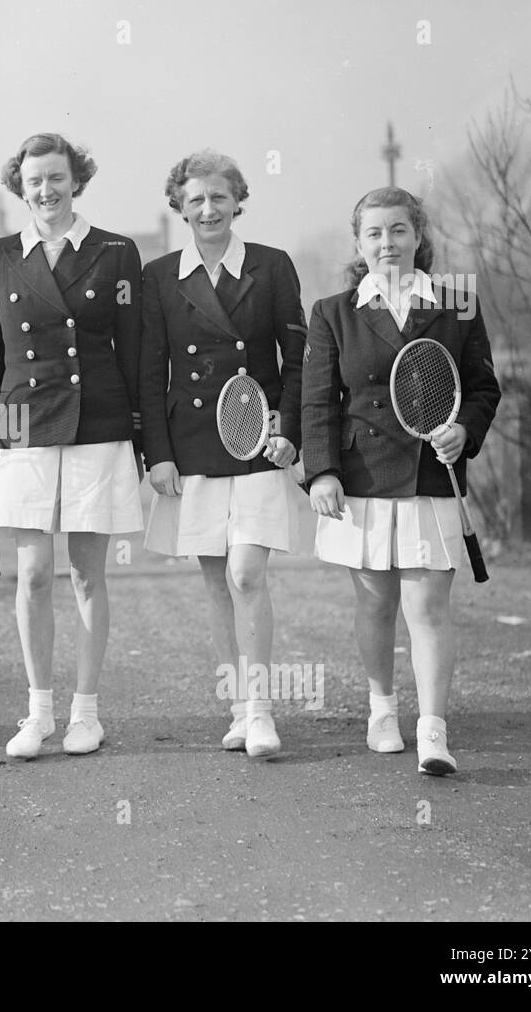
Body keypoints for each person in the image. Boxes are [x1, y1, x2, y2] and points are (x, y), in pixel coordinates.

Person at [302, 186, 500, 775]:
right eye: (374, 233)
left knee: (429, 606)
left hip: (430, 478)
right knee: (375, 603)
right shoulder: (331, 312)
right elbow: (318, 404)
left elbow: (484, 386)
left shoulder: (458, 303)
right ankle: (381, 710)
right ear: (359, 244)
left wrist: (464, 430)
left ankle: (433, 730)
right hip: (360, 481)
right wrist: (322, 472)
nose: (386, 243)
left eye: (397, 230)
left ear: (418, 235)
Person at [0, 132, 143, 759]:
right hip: (23, 430)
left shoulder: (116, 253)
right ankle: (39, 712)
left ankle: (86, 714)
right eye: (35, 179)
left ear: (78, 180)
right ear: (21, 185)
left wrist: (146, 439)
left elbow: (138, 351)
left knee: (87, 575)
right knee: (35, 574)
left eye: (57, 177)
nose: (46, 190)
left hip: (98, 427)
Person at [139, 151, 307, 758]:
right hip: (193, 450)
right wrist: (156, 453)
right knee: (216, 584)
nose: (207, 209)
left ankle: (261, 713)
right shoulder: (158, 277)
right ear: (179, 209)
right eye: (194, 201)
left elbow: (300, 360)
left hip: (260, 442)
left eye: (218, 197)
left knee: (246, 574)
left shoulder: (273, 266)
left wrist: (290, 427)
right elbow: (148, 368)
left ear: (238, 200)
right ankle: (239, 709)